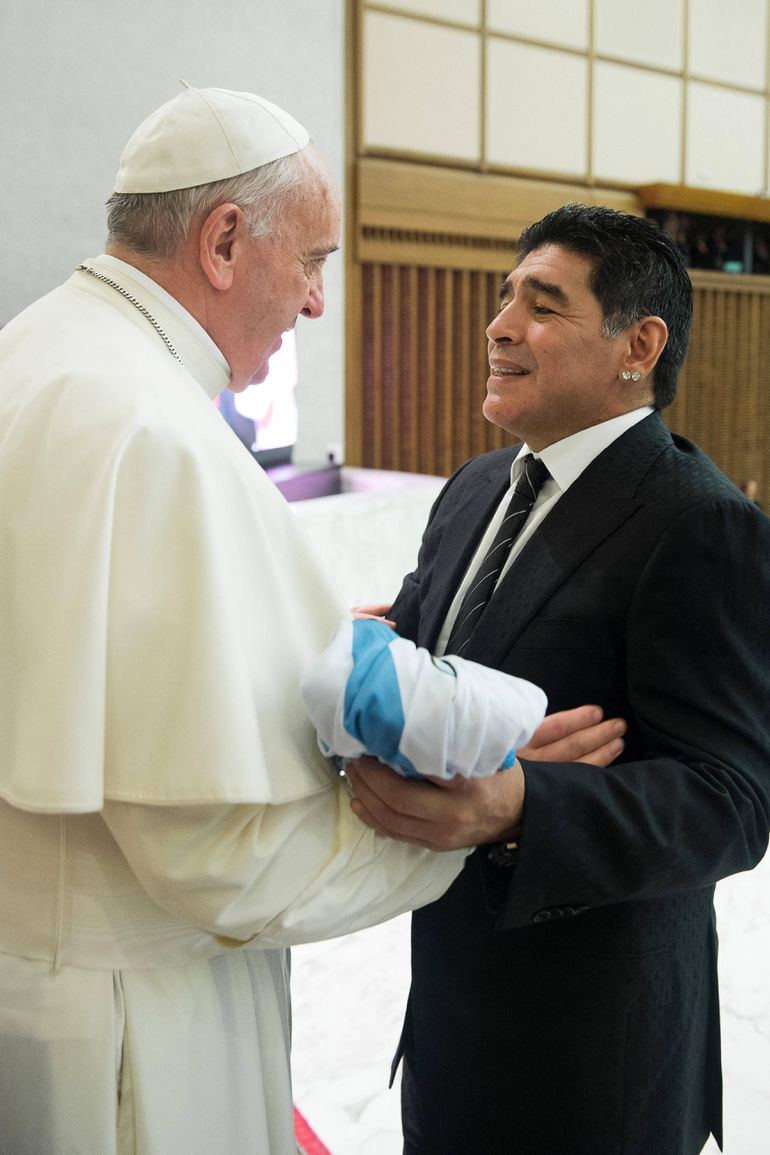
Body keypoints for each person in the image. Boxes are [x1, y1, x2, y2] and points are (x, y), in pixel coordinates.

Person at [0, 83, 568, 1155]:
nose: (314, 304)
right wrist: (463, 829)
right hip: (125, 1007)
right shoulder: (155, 430)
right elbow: (217, 854)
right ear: (222, 241)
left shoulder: (36, 352)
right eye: (311, 263)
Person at [346, 203, 770, 1155]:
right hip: (453, 1014)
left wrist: (523, 802)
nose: (500, 325)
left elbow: (732, 801)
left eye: (543, 305)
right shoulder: (473, 488)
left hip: (593, 1057)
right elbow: (417, 668)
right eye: (504, 298)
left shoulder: (697, 523)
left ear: (640, 345)